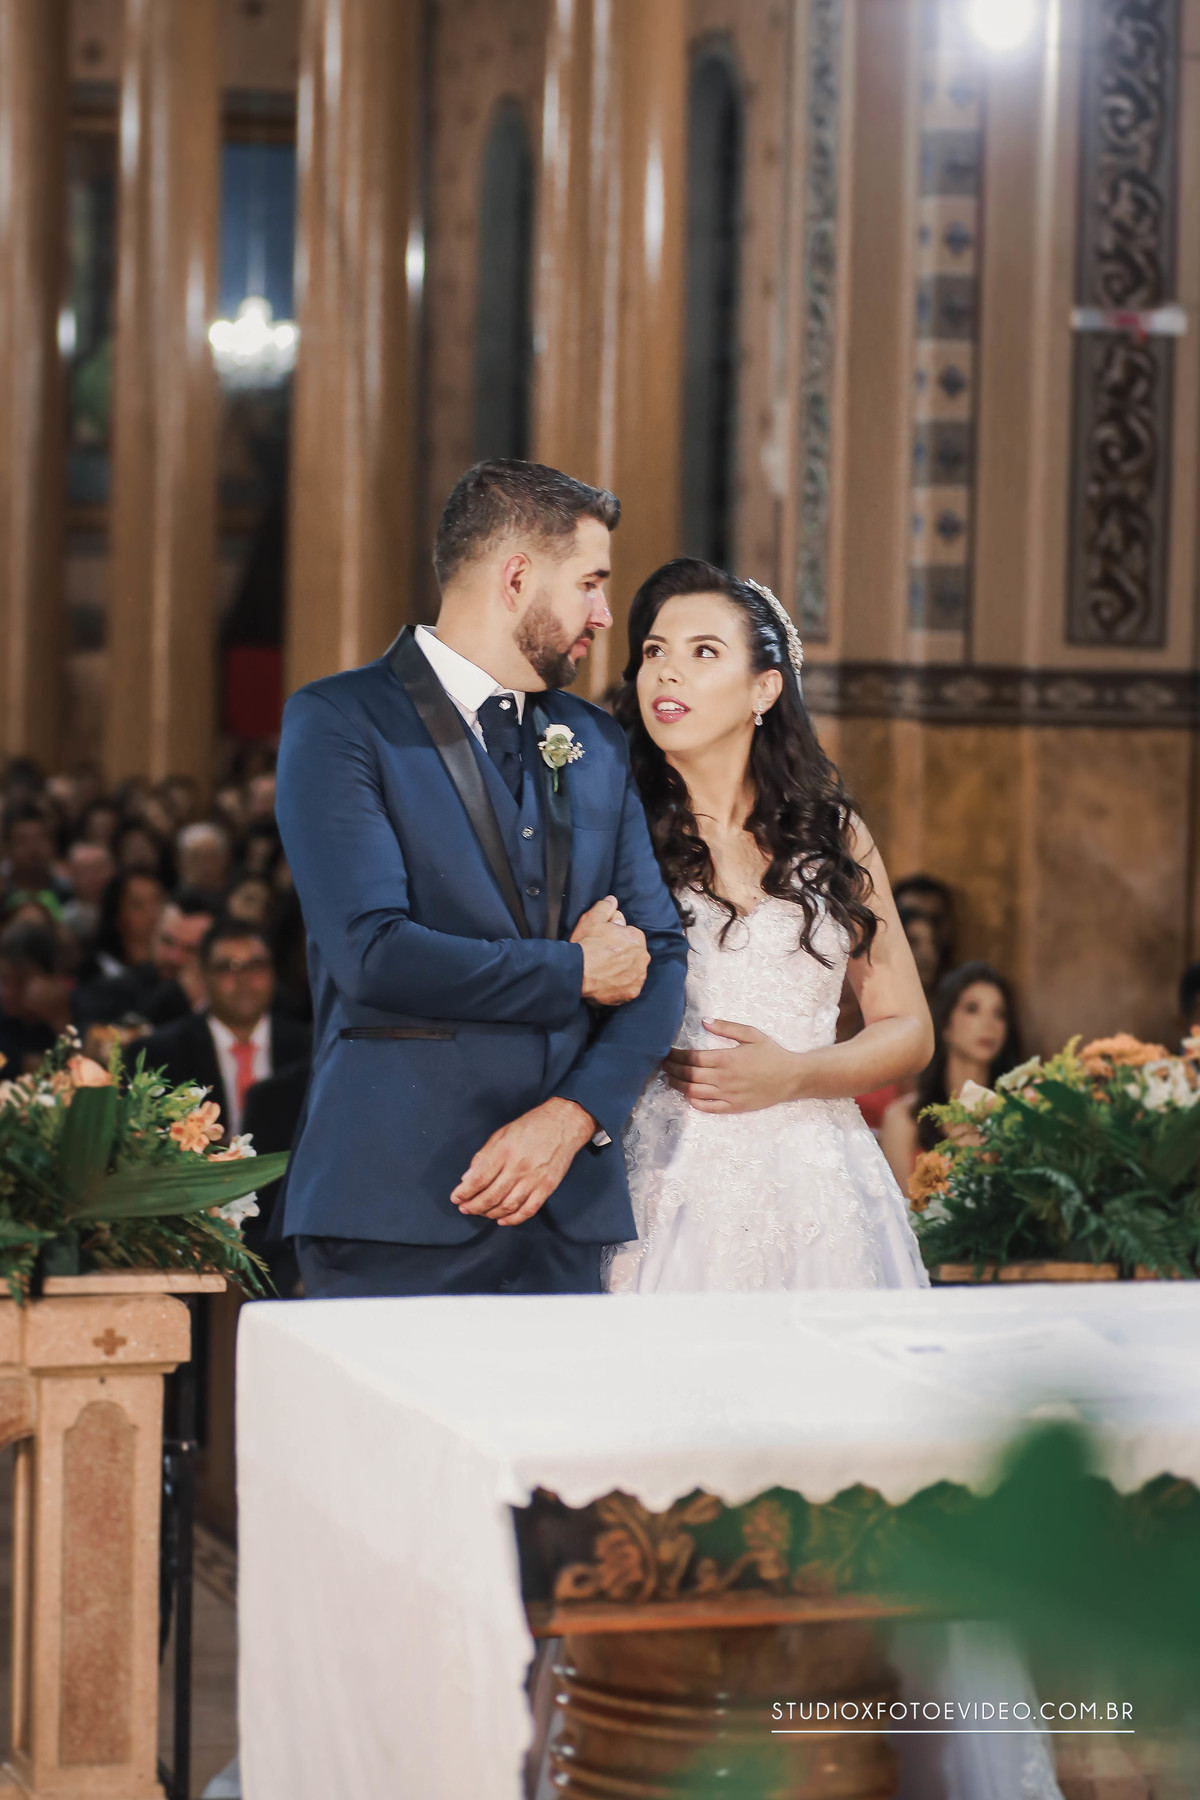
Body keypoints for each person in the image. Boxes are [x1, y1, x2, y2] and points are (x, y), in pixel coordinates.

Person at [274, 458, 687, 1299]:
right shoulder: (340, 721)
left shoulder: (593, 739)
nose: (605, 615)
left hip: (564, 1209)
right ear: (516, 577)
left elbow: (662, 957)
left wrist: (574, 1117)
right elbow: (373, 953)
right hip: (396, 1200)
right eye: (591, 584)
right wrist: (575, 972)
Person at [604, 559, 932, 1294]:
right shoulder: (617, 828)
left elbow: (908, 1028)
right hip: (667, 1177)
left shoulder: (831, 834)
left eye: (703, 652)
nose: (667, 673)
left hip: (816, 1179)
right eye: (654, 651)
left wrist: (797, 1073)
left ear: (764, 689)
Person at [136, 918, 310, 1138]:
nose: (244, 979)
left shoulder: (311, 1050)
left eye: (256, 966)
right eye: (227, 968)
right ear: (203, 976)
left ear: (273, 972)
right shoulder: (159, 1055)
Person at [880, 960, 1020, 1186]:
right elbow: (897, 1206)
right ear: (945, 1023)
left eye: (999, 1014)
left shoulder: (1016, 1118)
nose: (989, 1024)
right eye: (972, 1009)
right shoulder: (904, 1118)